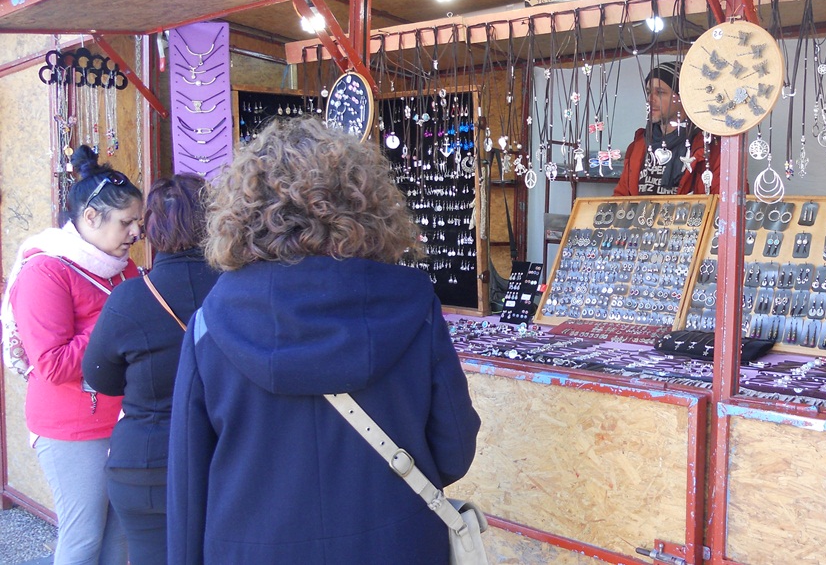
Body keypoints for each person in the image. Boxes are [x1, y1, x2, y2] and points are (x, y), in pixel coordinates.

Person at [167, 117, 482, 564]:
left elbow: (186, 484)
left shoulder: (208, 327)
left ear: (241, 216)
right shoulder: (414, 307)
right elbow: (453, 449)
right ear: (367, 207)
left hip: (253, 548)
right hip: (395, 544)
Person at [4, 145, 142, 565]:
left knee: (118, 540)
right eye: (127, 222)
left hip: (120, 418)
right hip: (70, 427)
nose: (136, 233)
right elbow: (51, 362)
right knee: (83, 540)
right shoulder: (45, 271)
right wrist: (120, 325)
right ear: (90, 218)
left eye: (139, 222)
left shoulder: (121, 267)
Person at [83, 174, 219, 565]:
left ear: (151, 228)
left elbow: (100, 378)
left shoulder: (129, 298)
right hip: (219, 454)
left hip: (144, 464)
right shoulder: (239, 289)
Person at [613, 60, 721, 196]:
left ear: (683, 97)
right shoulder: (639, 145)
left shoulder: (709, 147)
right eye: (648, 92)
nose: (650, 99)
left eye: (660, 92)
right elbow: (620, 199)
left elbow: (723, 206)